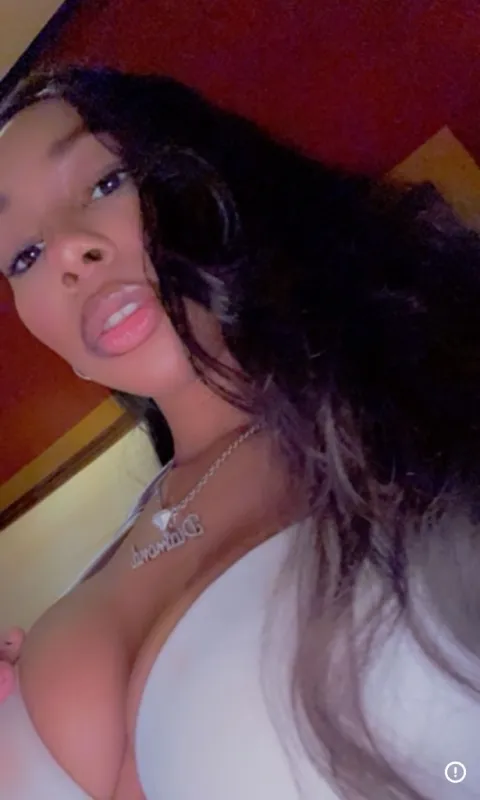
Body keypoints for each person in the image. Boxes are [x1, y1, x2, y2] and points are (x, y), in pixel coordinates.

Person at [0, 65, 478, 800]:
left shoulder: (428, 391)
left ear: (204, 173)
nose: (67, 252)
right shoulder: (101, 572)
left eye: (104, 182)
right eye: (23, 257)